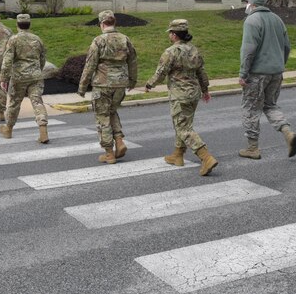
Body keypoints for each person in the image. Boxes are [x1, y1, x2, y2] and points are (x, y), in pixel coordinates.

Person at [145, 19, 218, 176]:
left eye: (170, 33)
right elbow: (201, 72)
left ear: (174, 34)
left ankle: (206, 157)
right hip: (194, 94)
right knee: (184, 125)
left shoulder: (170, 52)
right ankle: (178, 155)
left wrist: (149, 84)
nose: (169, 36)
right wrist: (205, 90)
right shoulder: (194, 50)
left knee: (183, 127)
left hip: (180, 95)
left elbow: (161, 72)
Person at [239, 0, 296, 160]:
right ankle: (288, 132)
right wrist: (280, 64)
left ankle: (252, 148)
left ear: (251, 3)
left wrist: (243, 74)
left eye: (247, 1)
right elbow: (287, 47)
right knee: (270, 105)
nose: (246, 4)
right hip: (276, 72)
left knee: (250, 108)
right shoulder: (277, 19)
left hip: (257, 74)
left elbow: (248, 50)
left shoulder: (252, 21)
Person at [77, 10, 138, 164]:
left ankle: (109, 153)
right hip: (120, 84)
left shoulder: (98, 40)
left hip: (102, 84)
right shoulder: (125, 39)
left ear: (102, 24)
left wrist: (82, 86)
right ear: (114, 22)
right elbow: (133, 61)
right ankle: (119, 141)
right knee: (112, 111)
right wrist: (132, 81)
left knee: (102, 117)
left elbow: (90, 65)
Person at [0, 13, 50, 144]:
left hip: (19, 77)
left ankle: (8, 129)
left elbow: (7, 60)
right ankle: (43, 129)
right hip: (36, 76)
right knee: (37, 102)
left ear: (17, 25)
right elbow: (42, 59)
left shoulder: (13, 40)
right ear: (29, 25)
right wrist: (37, 70)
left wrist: (3, 78)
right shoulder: (37, 39)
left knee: (14, 103)